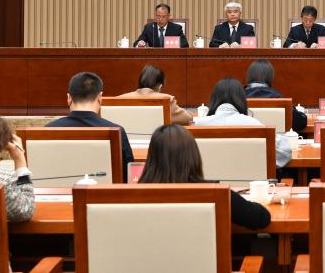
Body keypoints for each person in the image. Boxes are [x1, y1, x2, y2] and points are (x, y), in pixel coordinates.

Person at [139, 124, 270, 230]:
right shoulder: (215, 193)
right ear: (192, 156)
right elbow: (261, 218)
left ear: (151, 158)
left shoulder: (133, 197)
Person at [46, 72, 134, 181]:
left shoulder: (47, 131)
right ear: (100, 97)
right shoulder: (117, 131)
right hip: (104, 192)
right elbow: (129, 176)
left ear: (69, 98)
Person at [196, 78, 291, 168]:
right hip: (252, 180)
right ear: (241, 99)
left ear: (213, 99)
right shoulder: (253, 124)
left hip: (208, 180)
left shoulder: (199, 125)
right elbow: (285, 152)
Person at [244, 59, 308, 133]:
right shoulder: (277, 97)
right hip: (275, 140)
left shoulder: (239, 97)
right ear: (270, 77)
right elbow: (300, 122)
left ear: (249, 76)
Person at [116, 65, 193, 126]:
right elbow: (188, 119)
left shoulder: (119, 100)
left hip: (127, 141)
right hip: (158, 141)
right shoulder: (167, 100)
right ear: (160, 86)